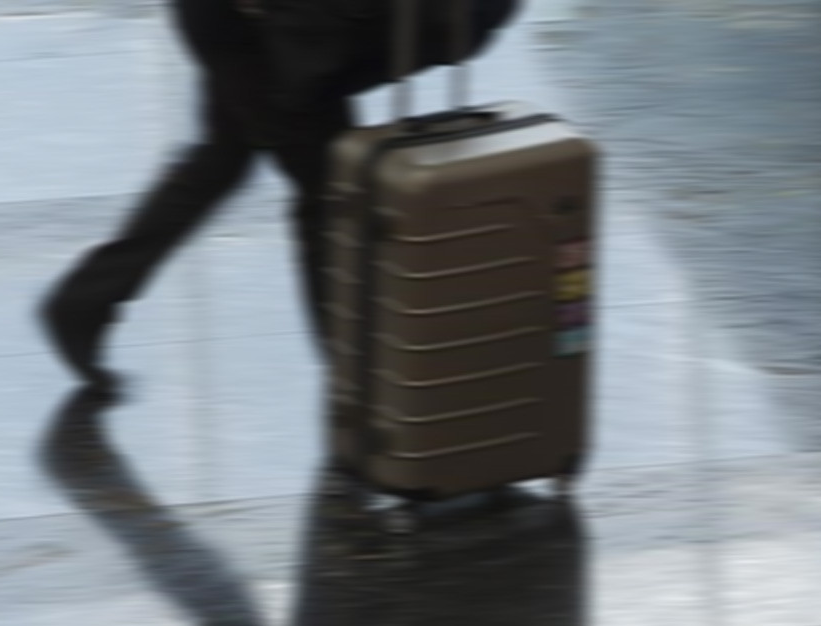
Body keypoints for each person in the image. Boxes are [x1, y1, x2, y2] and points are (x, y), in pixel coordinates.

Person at [39, 0, 519, 395]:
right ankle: (356, 382)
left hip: (254, 28)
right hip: (268, 39)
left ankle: (85, 301)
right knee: (330, 196)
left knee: (224, 160)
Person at [39, 0, 352, 393]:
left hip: (241, 21)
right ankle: (355, 373)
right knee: (330, 184)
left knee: (224, 158)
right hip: (264, 26)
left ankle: (86, 301)